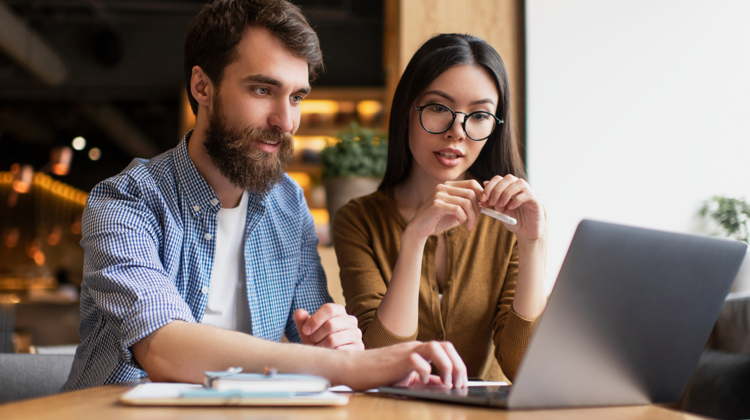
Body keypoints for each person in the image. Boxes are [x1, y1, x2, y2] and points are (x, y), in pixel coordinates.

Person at [63, 0, 466, 392]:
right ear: (203, 87)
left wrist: (334, 337)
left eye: (296, 97)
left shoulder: (288, 203)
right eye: (262, 90)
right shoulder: (125, 201)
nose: (285, 120)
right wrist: (345, 365)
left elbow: (316, 334)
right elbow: (162, 347)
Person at [333, 33, 548, 383]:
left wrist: (533, 244)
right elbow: (379, 361)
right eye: (438, 108)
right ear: (408, 110)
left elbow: (525, 371)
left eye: (479, 115)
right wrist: (415, 237)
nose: (457, 132)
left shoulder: (508, 222)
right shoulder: (358, 221)